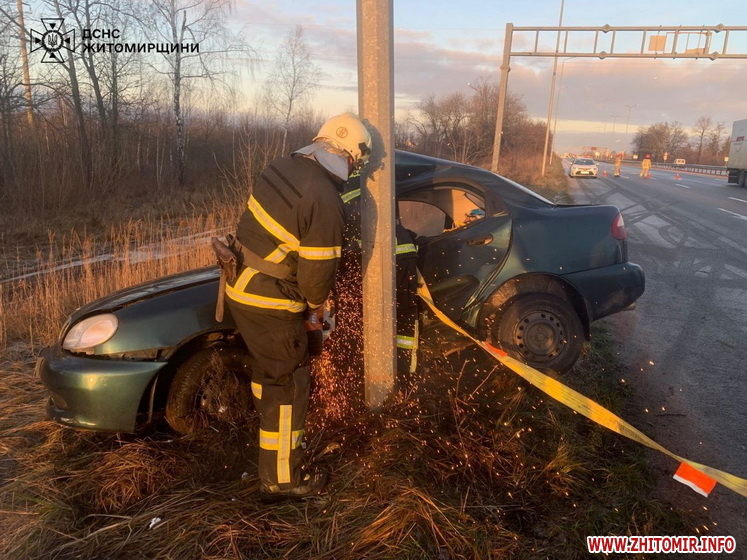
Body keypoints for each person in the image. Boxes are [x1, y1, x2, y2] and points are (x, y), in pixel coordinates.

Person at [224, 113, 371, 501]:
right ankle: (282, 480)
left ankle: (269, 447)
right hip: (271, 300)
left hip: (239, 287)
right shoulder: (325, 198)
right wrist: (316, 312)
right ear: (350, 157)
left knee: (269, 372)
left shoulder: (281, 165)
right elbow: (316, 281)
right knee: (289, 385)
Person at [339, 175, 420, 389]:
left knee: (364, 316)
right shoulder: (374, 177)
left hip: (379, 256)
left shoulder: (337, 183)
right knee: (403, 315)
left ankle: (366, 375)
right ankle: (403, 376)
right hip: (402, 250)